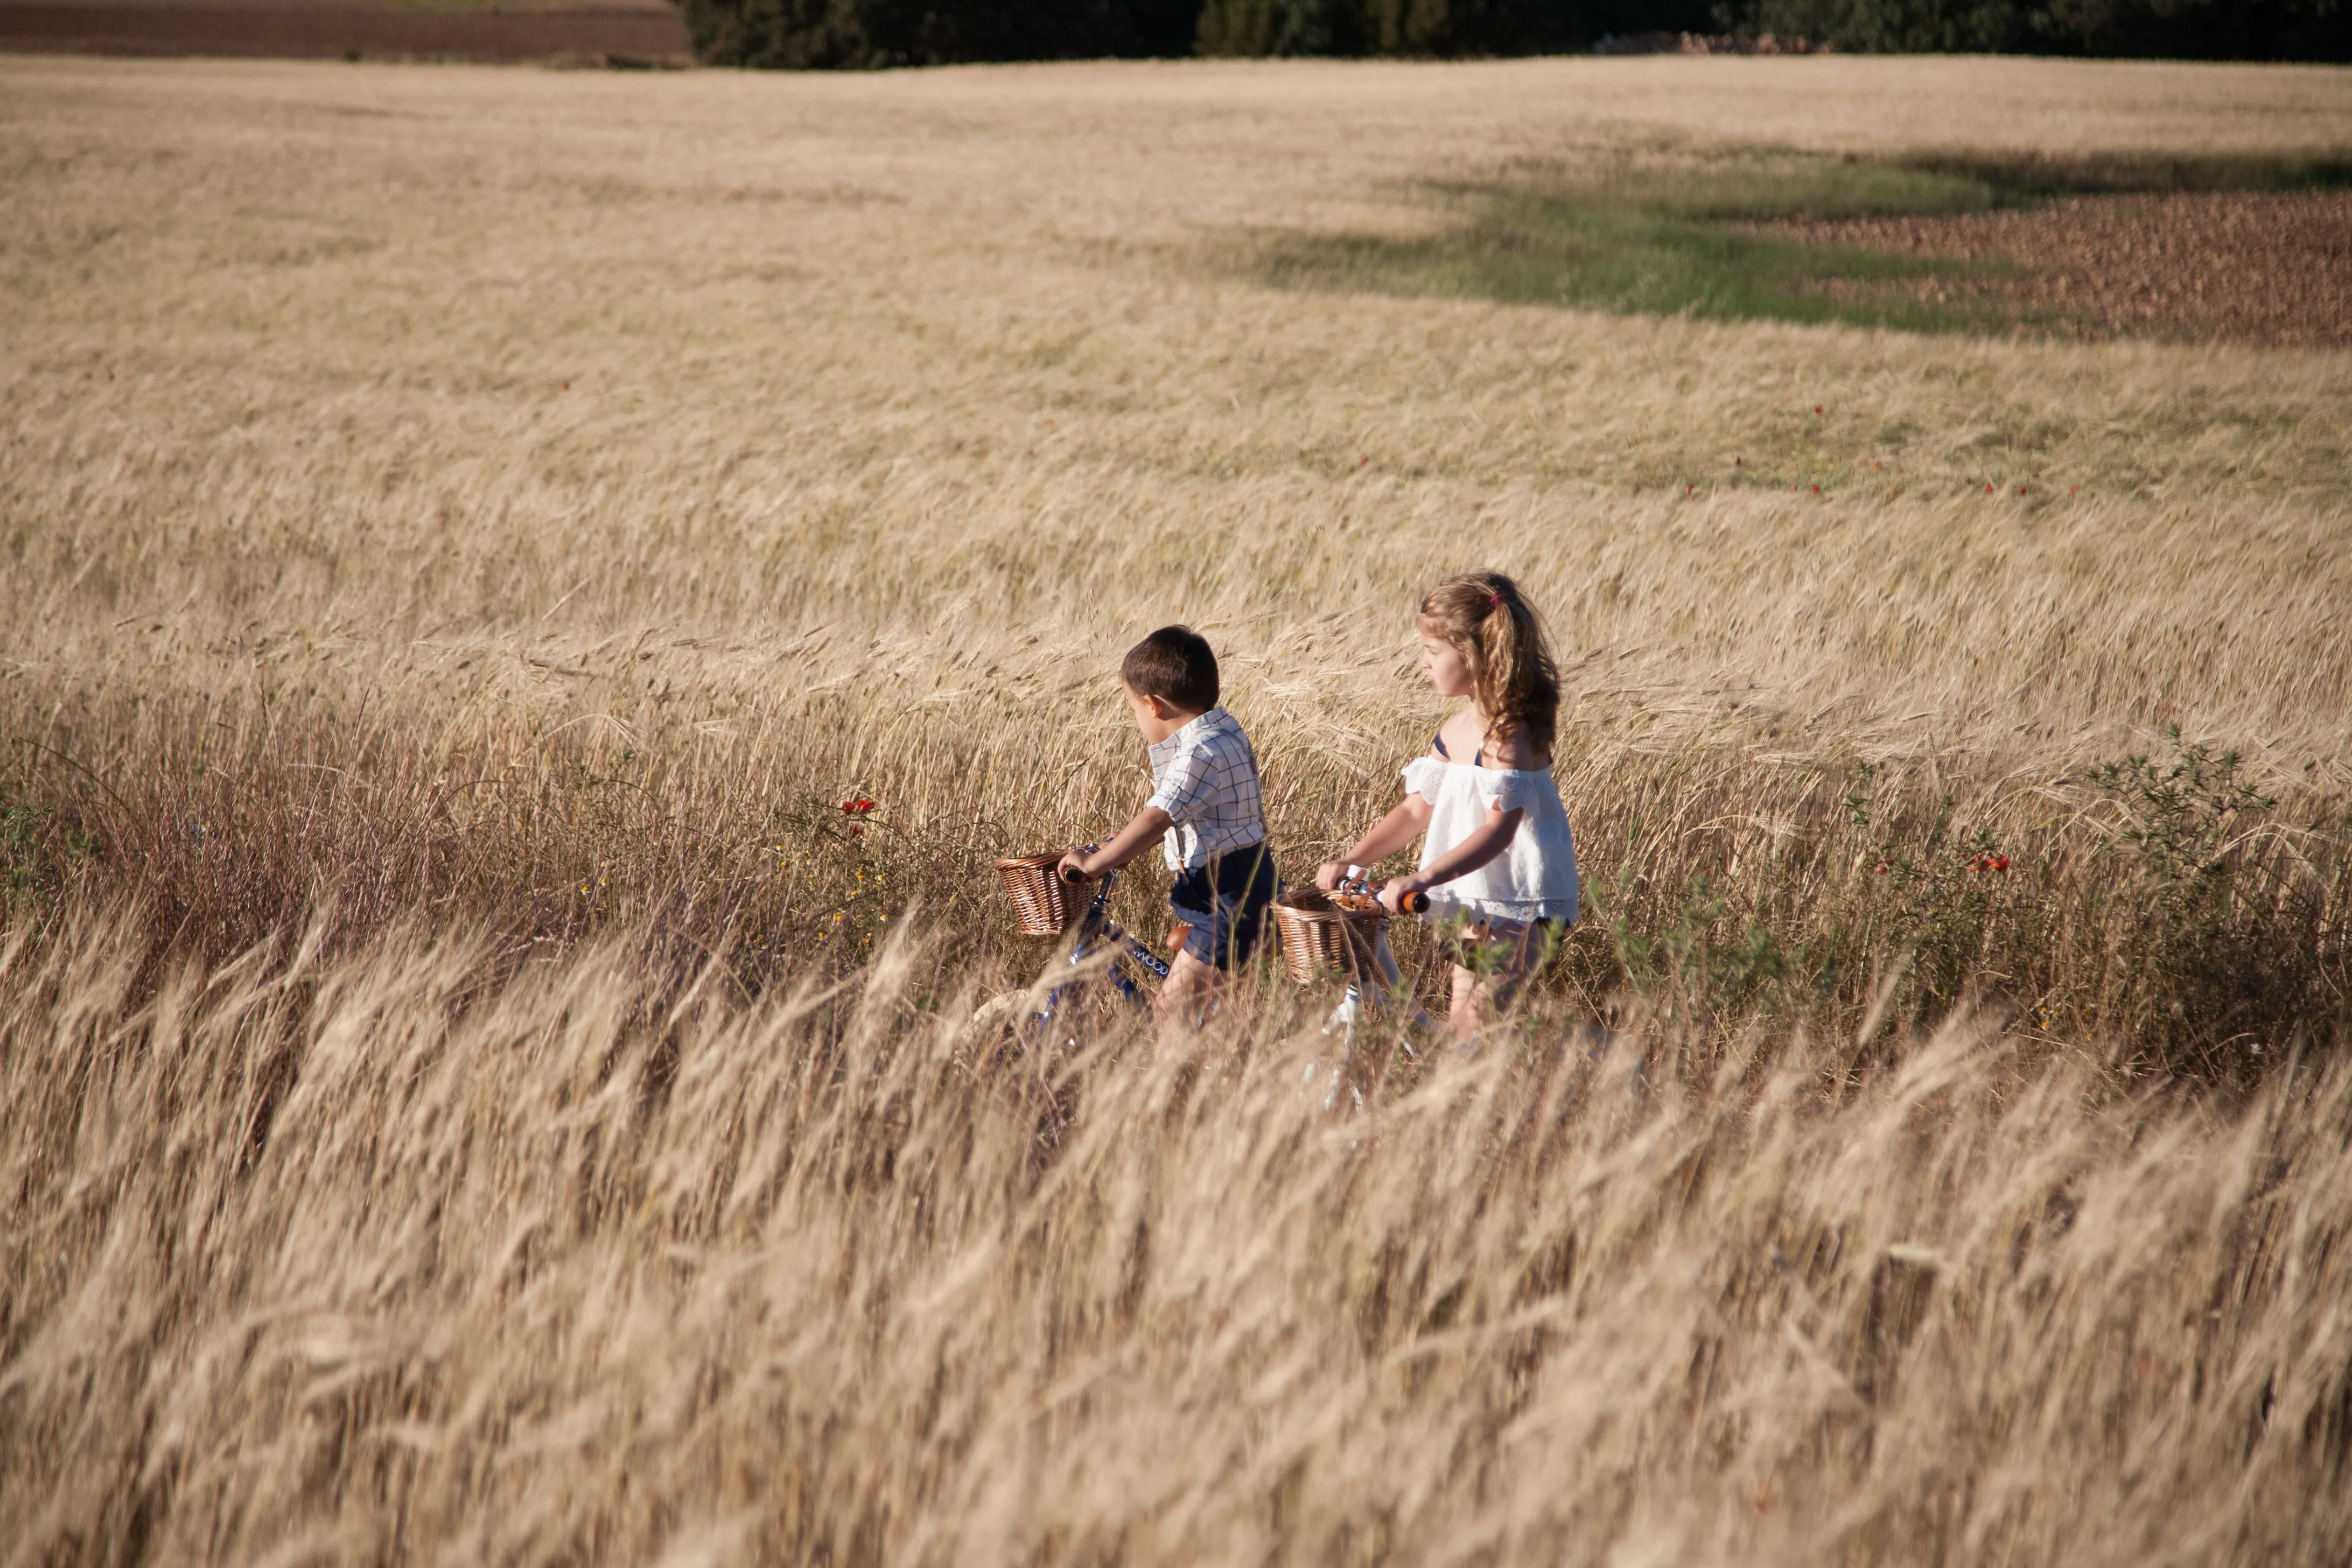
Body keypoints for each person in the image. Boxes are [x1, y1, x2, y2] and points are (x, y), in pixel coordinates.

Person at [1317, 571, 1578, 1044]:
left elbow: (1501, 830)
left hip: (1517, 902)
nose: (1423, 663)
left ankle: (1578, 1075)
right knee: (1470, 1037)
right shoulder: (1456, 730)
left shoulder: (1508, 736)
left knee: (1472, 1037)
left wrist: (1423, 879)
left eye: (1433, 652)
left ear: (1475, 655)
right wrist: (1353, 860)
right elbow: (1415, 811)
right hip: (1474, 900)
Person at [1060, 625, 1277, 1018]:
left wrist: (1093, 864)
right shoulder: (1225, 732)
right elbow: (1196, 817)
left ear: (1154, 705)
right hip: (1242, 891)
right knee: (1209, 1017)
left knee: (1169, 1013)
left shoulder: (1199, 753)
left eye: (1134, 709)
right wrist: (1119, 846)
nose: (1136, 719)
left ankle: (1179, 1080)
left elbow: (1159, 817)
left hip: (1226, 903)